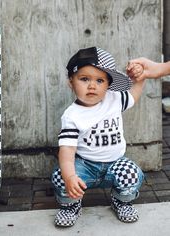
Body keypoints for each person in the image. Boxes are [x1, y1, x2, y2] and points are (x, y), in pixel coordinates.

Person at [51, 46, 145, 227]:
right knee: (60, 176)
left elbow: (133, 95)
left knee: (132, 173)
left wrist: (139, 79)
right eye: (84, 79)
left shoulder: (114, 99)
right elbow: (67, 149)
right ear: (71, 82)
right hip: (85, 165)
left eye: (100, 80)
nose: (92, 85)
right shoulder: (72, 115)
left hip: (115, 163)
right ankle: (71, 205)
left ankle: (121, 201)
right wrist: (70, 176)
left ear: (108, 85)